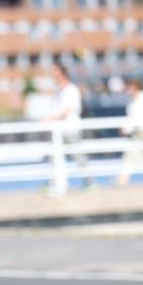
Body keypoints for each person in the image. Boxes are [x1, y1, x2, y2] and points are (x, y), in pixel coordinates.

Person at [43, 62, 93, 190]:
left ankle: (90, 183)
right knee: (55, 156)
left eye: (55, 71)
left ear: (62, 73)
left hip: (70, 129)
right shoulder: (58, 90)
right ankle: (55, 183)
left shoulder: (71, 89)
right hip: (58, 130)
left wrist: (50, 118)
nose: (53, 74)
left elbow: (68, 110)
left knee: (78, 156)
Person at [116, 79, 143, 186]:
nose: (128, 90)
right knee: (130, 155)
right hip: (136, 133)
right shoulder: (133, 100)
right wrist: (126, 127)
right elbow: (132, 118)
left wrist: (127, 127)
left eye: (130, 87)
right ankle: (122, 179)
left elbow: (140, 117)